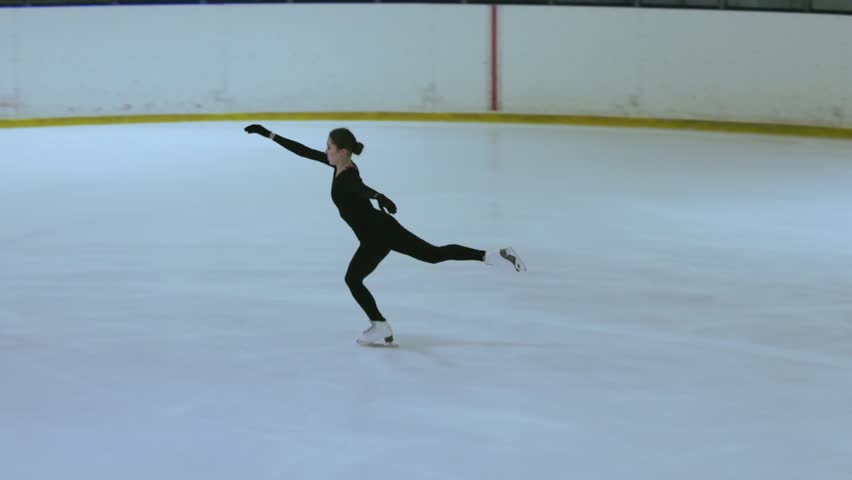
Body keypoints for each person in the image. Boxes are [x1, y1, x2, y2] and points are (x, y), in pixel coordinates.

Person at [244, 124, 526, 346]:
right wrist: (267, 133)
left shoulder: (349, 174)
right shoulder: (337, 165)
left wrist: (379, 195)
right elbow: (302, 151)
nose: (325, 150)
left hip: (382, 232)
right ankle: (379, 324)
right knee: (357, 278)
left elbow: (359, 189)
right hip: (372, 237)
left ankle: (493, 256)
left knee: (433, 256)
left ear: (342, 150)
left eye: (329, 147)